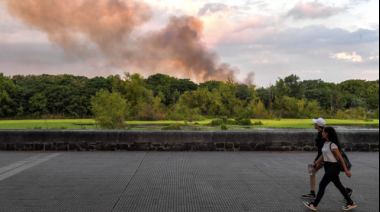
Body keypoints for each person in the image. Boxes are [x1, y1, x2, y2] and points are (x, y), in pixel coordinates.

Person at [303, 127, 357, 211]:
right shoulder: (326, 143)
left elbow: (340, 158)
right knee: (338, 185)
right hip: (327, 166)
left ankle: (314, 205)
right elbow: (322, 156)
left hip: (333, 167)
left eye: (323, 132)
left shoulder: (333, 145)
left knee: (322, 185)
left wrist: (346, 170)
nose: (322, 133)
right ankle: (351, 203)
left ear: (327, 133)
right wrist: (315, 163)